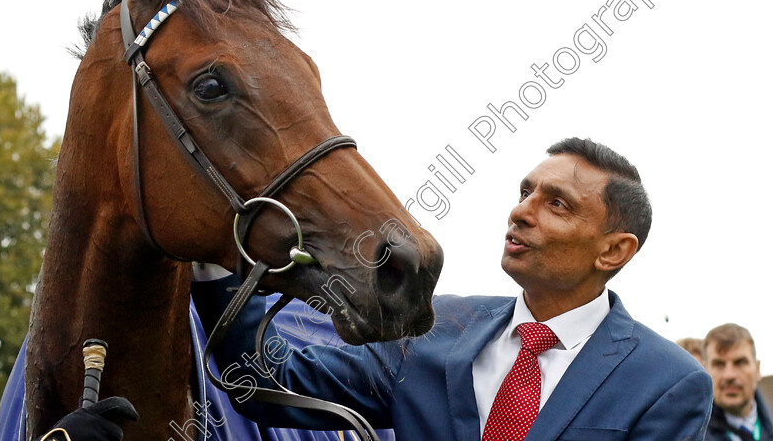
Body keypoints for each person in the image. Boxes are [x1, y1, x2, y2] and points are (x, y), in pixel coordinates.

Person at [194, 137, 713, 440]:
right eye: (525, 191)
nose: (520, 211)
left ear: (614, 251)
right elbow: (267, 384)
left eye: (557, 204)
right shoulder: (432, 328)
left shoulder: (669, 383)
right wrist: (213, 265)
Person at [703, 323, 773, 441]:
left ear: (757, 369)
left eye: (740, 362)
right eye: (719, 364)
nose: (729, 375)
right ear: (705, 371)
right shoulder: (690, 435)